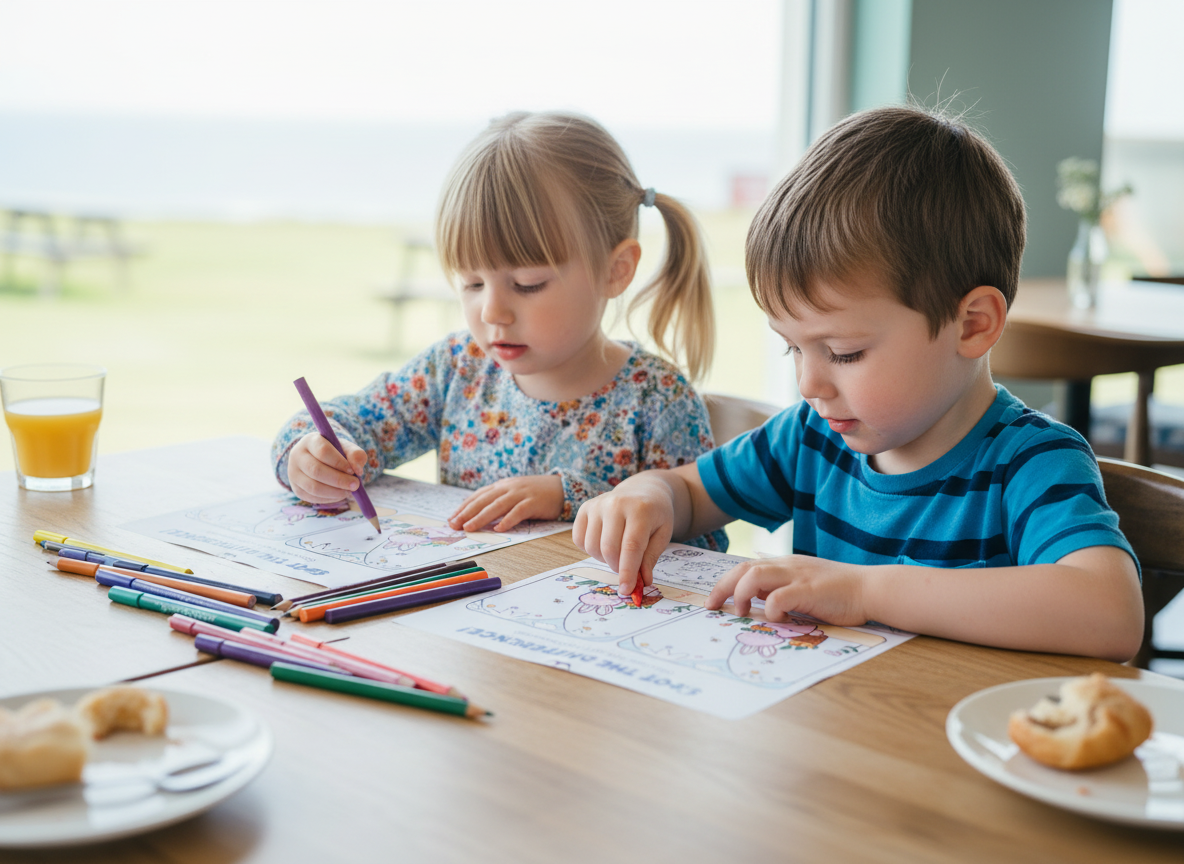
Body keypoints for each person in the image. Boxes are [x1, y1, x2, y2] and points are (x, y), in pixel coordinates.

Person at [573, 106, 1143, 662]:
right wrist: (648, 493)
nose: (808, 383)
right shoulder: (812, 437)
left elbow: (1110, 613)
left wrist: (864, 591)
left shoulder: (1030, 463)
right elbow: (692, 494)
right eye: (793, 346)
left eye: (844, 353)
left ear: (972, 325)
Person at [272, 111, 724, 546]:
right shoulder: (456, 370)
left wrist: (570, 497)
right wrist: (310, 456)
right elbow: (347, 423)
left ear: (616, 270)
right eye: (470, 283)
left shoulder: (658, 399)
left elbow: (702, 547)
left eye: (528, 284)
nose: (491, 312)